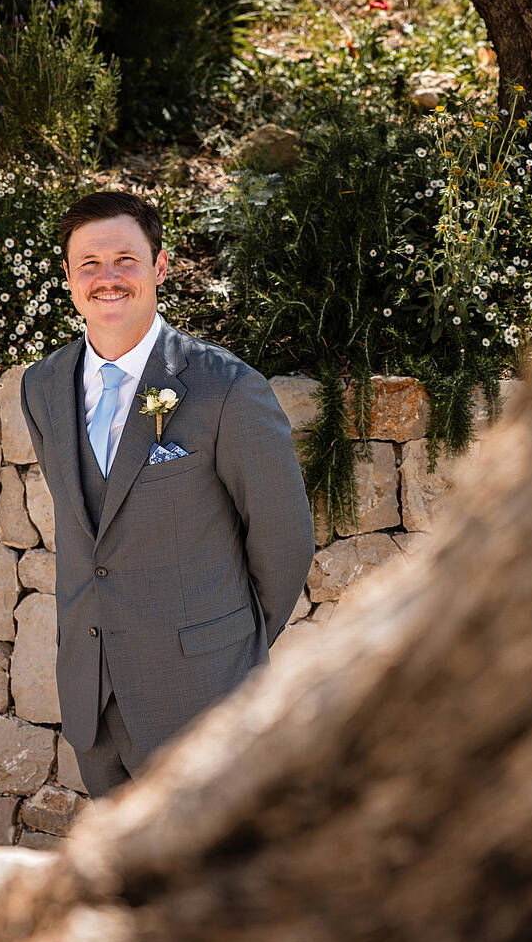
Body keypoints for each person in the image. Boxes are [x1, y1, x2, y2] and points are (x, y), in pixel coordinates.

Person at [18, 190, 315, 798]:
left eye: (125, 259)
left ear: (160, 267)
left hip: (201, 700)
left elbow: (284, 543)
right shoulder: (42, 386)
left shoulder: (227, 388)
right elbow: (90, 532)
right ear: (68, 277)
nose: (108, 279)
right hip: (93, 699)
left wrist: (226, 652)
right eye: (90, 263)